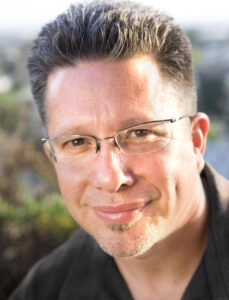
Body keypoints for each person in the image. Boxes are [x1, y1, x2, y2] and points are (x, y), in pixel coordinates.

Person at [9, 1, 229, 299]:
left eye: (140, 133)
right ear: (53, 157)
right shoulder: (45, 289)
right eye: (77, 142)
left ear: (196, 141)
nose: (110, 178)